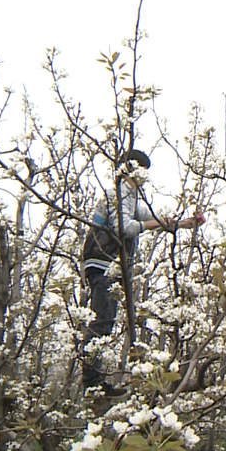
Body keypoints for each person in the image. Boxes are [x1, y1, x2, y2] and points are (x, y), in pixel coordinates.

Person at [80, 149, 202, 397]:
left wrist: (183, 223)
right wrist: (154, 224)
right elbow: (125, 228)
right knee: (102, 322)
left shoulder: (130, 196)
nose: (144, 177)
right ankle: (91, 384)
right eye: (142, 172)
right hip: (103, 260)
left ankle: (94, 382)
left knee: (106, 320)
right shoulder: (119, 192)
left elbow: (152, 217)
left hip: (107, 264)